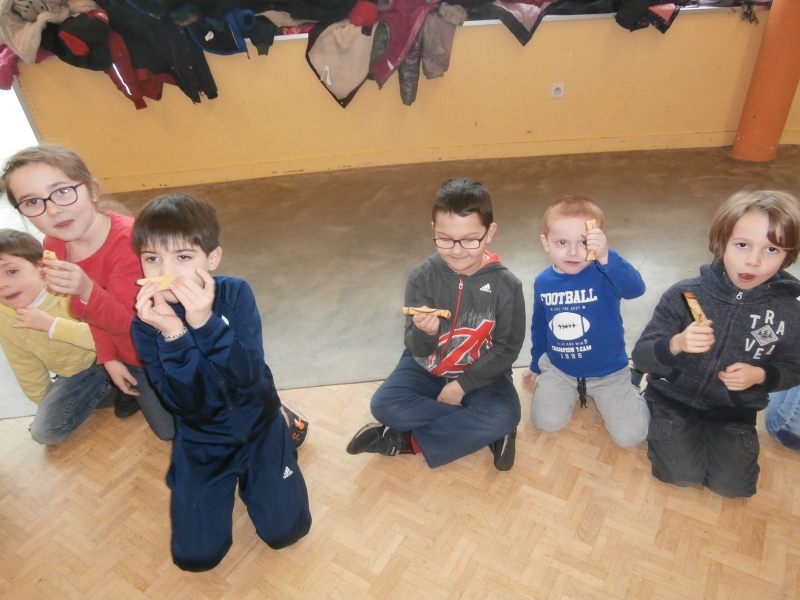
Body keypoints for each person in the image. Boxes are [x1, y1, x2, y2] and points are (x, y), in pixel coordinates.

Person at [130, 193, 311, 571]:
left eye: (183, 257)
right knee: (195, 558)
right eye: (152, 258)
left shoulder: (235, 293)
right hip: (203, 441)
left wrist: (205, 324)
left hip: (259, 426)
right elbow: (182, 403)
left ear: (211, 258)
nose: (166, 271)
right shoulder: (146, 325)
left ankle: (283, 422)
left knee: (287, 532)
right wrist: (175, 336)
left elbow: (248, 372)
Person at [346, 177, 525, 471]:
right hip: (426, 366)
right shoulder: (421, 276)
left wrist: (462, 386)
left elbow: (507, 349)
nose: (457, 250)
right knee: (384, 405)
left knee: (505, 415)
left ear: (490, 232)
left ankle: (405, 441)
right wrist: (424, 333)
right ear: (433, 230)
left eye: (470, 239)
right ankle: (485, 430)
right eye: (445, 239)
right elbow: (414, 346)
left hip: (482, 372)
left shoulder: (507, 286)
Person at [632, 190, 800, 498]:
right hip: (673, 399)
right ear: (722, 243)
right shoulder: (686, 294)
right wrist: (676, 344)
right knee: (680, 475)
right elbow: (642, 356)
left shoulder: (790, 313)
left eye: (772, 249)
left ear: (787, 255)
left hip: (733, 411)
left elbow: (793, 368)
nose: (753, 261)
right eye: (742, 245)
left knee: (733, 487)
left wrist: (760, 375)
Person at [1, 145, 174, 440]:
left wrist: (86, 289)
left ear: (92, 190)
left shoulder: (131, 242)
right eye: (32, 202)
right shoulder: (54, 244)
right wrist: (108, 357)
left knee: (183, 423)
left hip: (164, 351)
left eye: (62, 191)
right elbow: (93, 320)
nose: (53, 210)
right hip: (125, 354)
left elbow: (130, 324)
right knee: (166, 431)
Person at [522, 195, 649, 448]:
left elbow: (635, 289)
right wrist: (536, 364)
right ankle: (564, 387)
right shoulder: (543, 282)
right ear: (545, 243)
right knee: (546, 422)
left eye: (583, 243)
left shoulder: (605, 272)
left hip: (609, 372)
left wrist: (606, 256)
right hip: (560, 370)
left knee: (631, 437)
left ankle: (632, 389)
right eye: (561, 242)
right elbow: (540, 326)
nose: (572, 252)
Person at [0, 229, 113, 443]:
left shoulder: (67, 289)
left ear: (41, 267)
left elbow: (107, 336)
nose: (2, 284)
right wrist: (45, 406)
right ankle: (107, 387)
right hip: (73, 372)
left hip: (108, 356)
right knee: (44, 432)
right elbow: (24, 365)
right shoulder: (3, 317)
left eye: (12, 271)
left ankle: (114, 385)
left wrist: (52, 326)